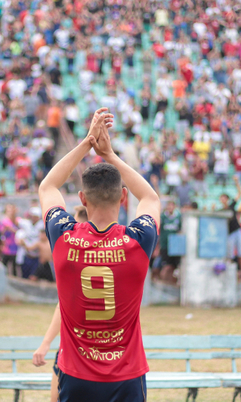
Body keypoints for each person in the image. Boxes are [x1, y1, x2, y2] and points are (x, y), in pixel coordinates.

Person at [38, 108, 159, 401]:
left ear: (82, 199)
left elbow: (48, 186)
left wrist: (87, 143)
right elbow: (150, 197)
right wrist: (111, 155)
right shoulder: (138, 240)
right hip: (127, 375)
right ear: (122, 197)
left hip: (76, 376)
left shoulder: (64, 237)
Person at [32, 208, 89, 402]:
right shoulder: (117, 251)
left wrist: (46, 343)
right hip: (100, 350)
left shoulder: (75, 256)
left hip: (76, 349)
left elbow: (62, 306)